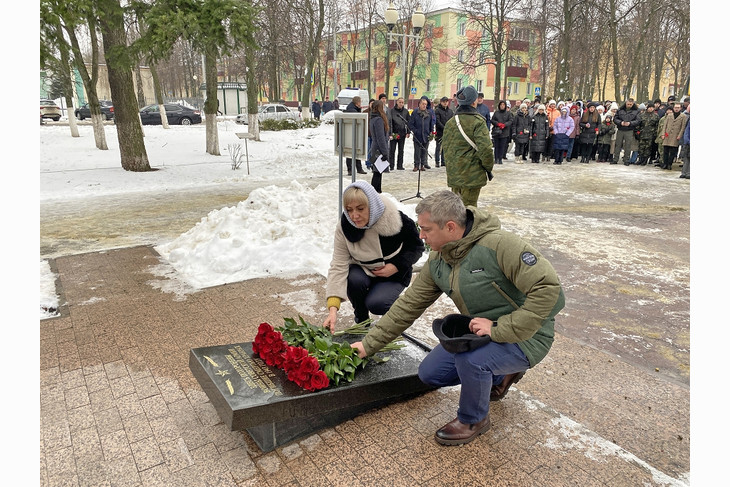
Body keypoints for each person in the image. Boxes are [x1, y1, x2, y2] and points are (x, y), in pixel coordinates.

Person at [350, 190, 565, 446]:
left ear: (450, 227)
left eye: (426, 229)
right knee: (430, 374)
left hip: (528, 336)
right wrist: (368, 344)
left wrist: (500, 328)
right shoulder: (440, 259)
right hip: (480, 334)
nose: (421, 236)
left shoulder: (500, 246)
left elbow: (551, 292)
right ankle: (501, 374)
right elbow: (407, 306)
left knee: (472, 362)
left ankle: (474, 419)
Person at [322, 181, 424, 330]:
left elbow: (416, 246)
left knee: (378, 304)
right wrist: (332, 309)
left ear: (372, 205)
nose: (354, 216)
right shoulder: (345, 226)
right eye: (349, 210)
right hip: (363, 271)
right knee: (353, 278)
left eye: (360, 209)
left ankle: (392, 319)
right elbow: (338, 264)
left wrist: (396, 266)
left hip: (393, 274)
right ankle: (361, 319)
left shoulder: (396, 218)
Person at [441, 85, 494, 207]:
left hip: (455, 175)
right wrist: (488, 167)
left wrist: (452, 170)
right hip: (472, 176)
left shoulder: (450, 122)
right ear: (474, 101)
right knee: (469, 211)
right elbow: (486, 149)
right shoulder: (478, 122)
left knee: (456, 210)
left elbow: (446, 149)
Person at [368, 99, 390, 193]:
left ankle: (377, 191)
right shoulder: (378, 120)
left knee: (378, 172)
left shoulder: (373, 118)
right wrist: (385, 153)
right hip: (379, 149)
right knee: (377, 173)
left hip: (375, 148)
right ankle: (374, 192)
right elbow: (380, 138)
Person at [408, 97, 435, 171]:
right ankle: (416, 165)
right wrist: (415, 131)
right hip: (417, 135)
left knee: (424, 151)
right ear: (419, 104)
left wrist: (431, 132)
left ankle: (422, 165)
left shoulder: (429, 113)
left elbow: (431, 124)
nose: (424, 105)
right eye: (423, 104)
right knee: (417, 152)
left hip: (426, 135)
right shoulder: (415, 112)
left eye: (425, 104)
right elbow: (411, 124)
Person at [660, 102, 688, 171]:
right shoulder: (669, 115)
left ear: (680, 108)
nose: (676, 109)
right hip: (667, 135)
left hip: (675, 135)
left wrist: (680, 135)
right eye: (675, 107)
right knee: (665, 150)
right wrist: (663, 134)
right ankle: (665, 164)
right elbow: (665, 125)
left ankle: (670, 164)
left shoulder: (683, 116)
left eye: (678, 108)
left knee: (673, 151)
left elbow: (683, 127)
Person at [613, 98, 640, 165]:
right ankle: (615, 159)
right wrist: (620, 122)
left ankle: (626, 160)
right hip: (620, 129)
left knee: (628, 146)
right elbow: (615, 119)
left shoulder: (636, 111)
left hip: (629, 130)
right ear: (625, 103)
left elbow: (638, 120)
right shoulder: (620, 110)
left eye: (631, 104)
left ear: (633, 104)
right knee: (618, 145)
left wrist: (630, 123)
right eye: (628, 104)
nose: (629, 105)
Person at [344, 96, 367, 175]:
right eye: (360, 102)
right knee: (350, 152)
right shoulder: (352, 110)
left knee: (357, 151)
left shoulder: (353, 108)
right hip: (352, 132)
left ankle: (358, 168)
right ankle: (351, 169)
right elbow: (358, 119)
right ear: (357, 102)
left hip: (354, 132)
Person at [387, 97, 410, 170]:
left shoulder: (405, 112)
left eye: (402, 102)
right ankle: (391, 165)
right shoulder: (392, 111)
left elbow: (409, 122)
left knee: (401, 150)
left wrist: (408, 132)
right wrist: (390, 133)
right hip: (394, 133)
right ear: (397, 102)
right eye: (400, 102)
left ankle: (400, 165)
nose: (401, 104)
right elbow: (390, 122)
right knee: (392, 150)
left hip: (402, 133)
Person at [490, 100, 513, 165]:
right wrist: (497, 124)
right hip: (496, 132)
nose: (502, 106)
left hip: (504, 132)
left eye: (503, 105)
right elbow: (492, 120)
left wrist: (505, 125)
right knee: (496, 146)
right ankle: (496, 158)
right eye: (501, 105)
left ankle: (500, 159)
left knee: (502, 146)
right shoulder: (496, 113)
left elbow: (511, 121)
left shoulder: (508, 113)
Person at [434, 96, 454, 168]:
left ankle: (443, 161)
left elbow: (452, 121)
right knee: (438, 147)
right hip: (440, 132)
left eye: (446, 101)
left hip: (447, 132)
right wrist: (444, 127)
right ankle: (437, 161)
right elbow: (437, 121)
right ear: (441, 102)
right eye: (444, 101)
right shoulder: (438, 110)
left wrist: (449, 128)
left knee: (445, 147)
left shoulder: (450, 111)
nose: (445, 103)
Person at [679, 104, 690, 179]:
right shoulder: (690, 119)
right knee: (686, 158)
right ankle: (684, 172)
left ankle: (689, 173)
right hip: (688, 142)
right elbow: (687, 130)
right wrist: (687, 140)